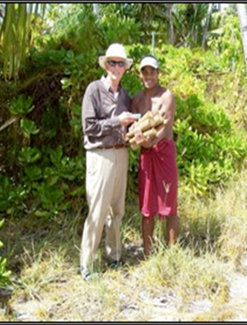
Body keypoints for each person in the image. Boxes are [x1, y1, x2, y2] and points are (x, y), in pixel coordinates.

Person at [80, 43, 137, 281]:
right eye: (112, 62)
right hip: (100, 155)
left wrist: (136, 130)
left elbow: (129, 126)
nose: (116, 67)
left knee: (117, 210)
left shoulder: (125, 95)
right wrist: (117, 121)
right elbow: (89, 128)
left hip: (121, 154)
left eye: (120, 63)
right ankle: (87, 264)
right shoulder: (93, 90)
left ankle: (114, 257)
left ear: (125, 68)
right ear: (105, 65)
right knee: (98, 210)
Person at [130, 55, 179, 256]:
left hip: (163, 152)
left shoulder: (167, 96)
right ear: (140, 75)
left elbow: (163, 127)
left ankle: (172, 252)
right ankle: (149, 254)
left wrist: (146, 141)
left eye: (152, 71)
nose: (149, 75)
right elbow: (133, 127)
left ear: (158, 73)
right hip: (146, 155)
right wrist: (136, 138)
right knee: (147, 204)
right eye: (145, 72)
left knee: (170, 203)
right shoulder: (137, 99)